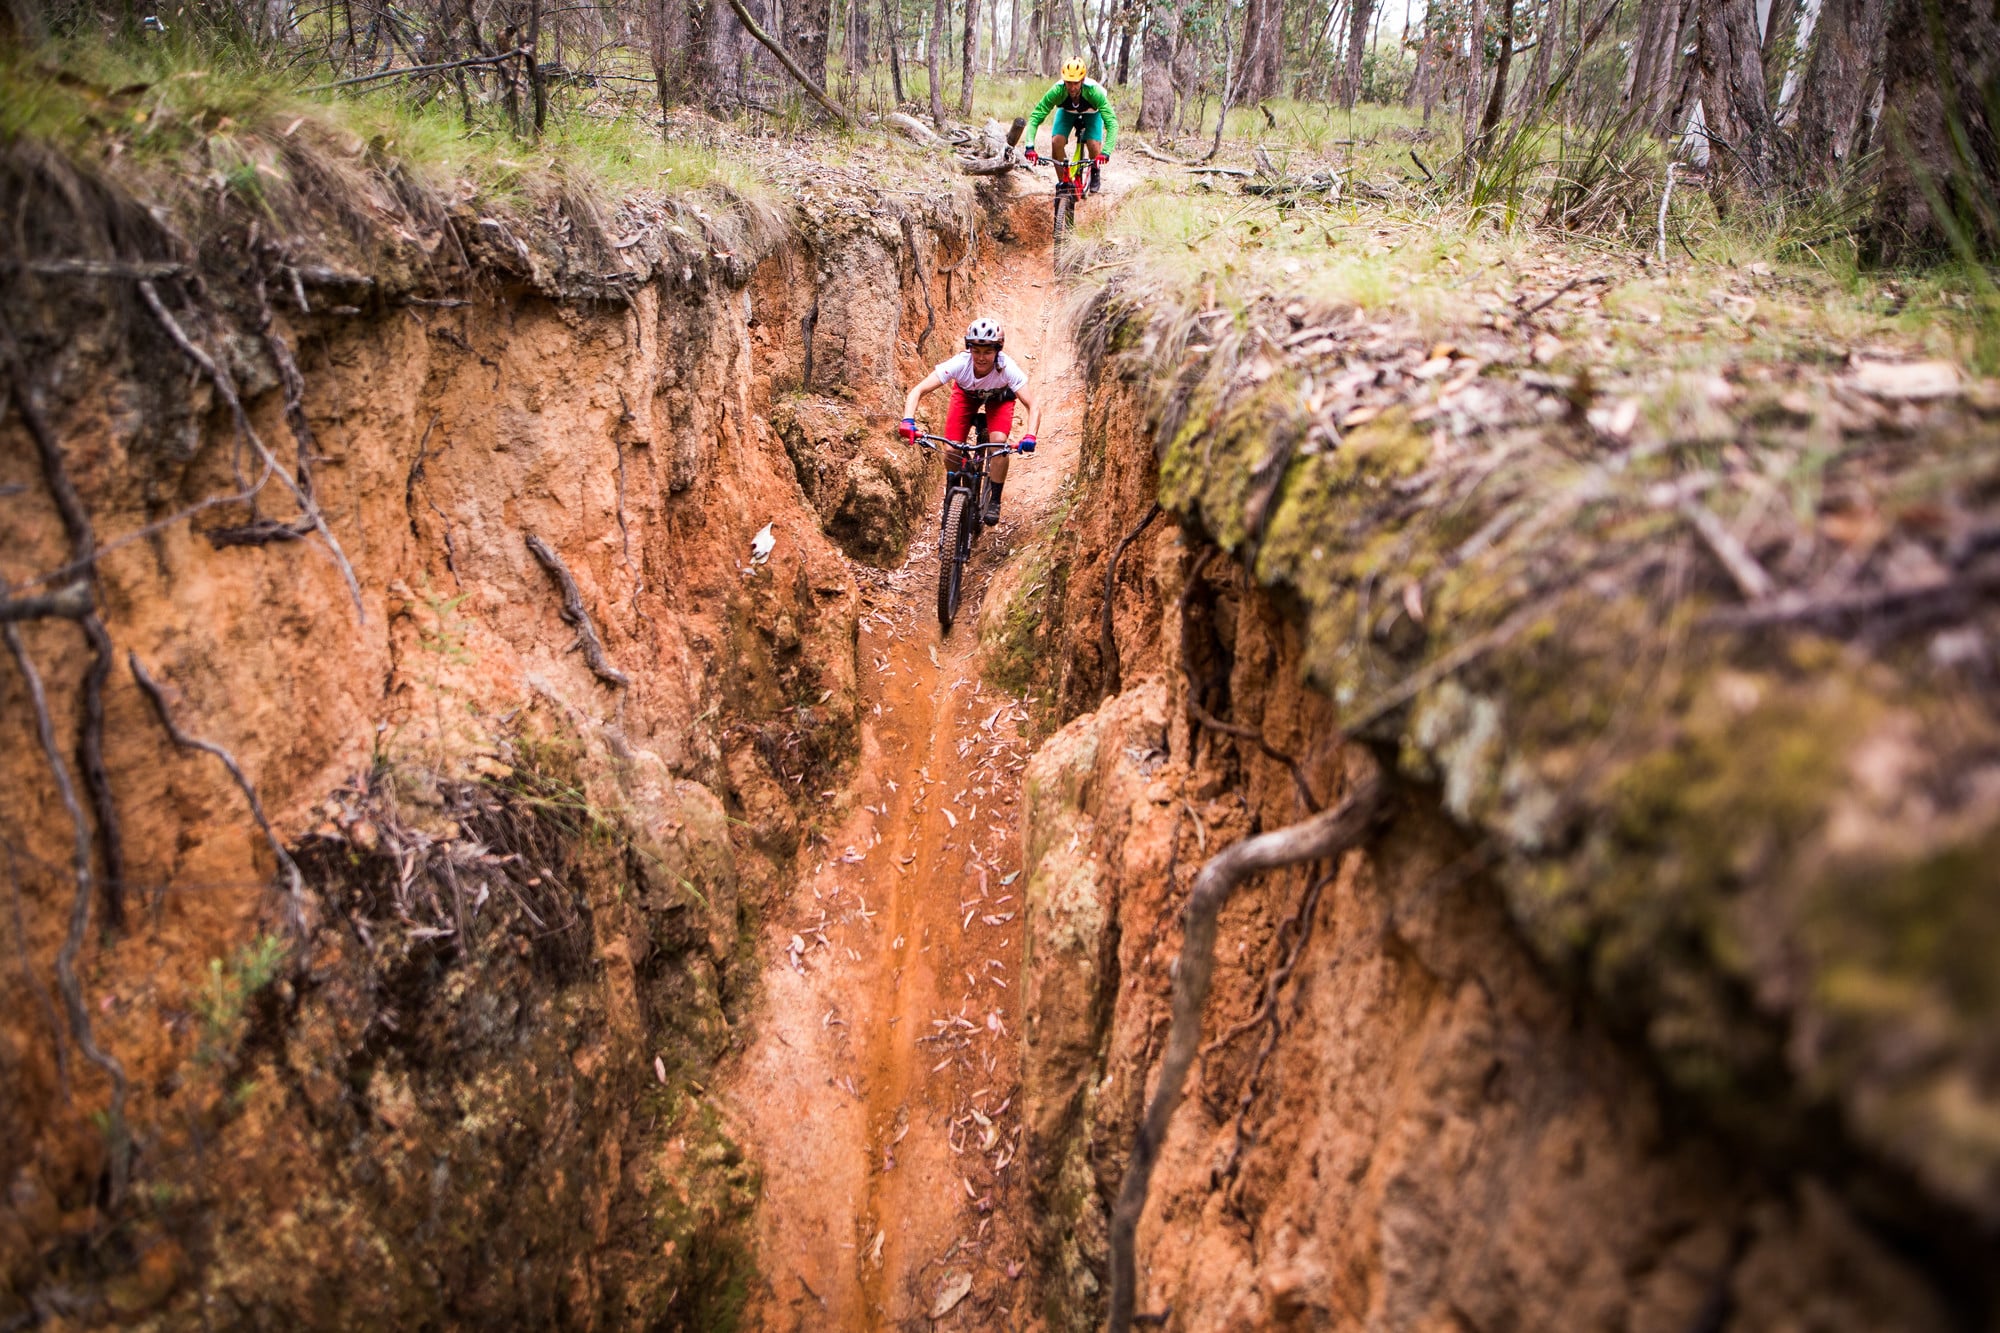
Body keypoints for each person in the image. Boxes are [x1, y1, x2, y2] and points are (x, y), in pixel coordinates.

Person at [898, 317, 1042, 527]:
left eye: (988, 352)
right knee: (950, 450)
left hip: (1000, 399)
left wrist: (1030, 435)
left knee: (998, 444)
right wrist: (908, 420)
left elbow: (1033, 404)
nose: (982, 357)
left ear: (998, 351)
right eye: (977, 351)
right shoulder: (960, 364)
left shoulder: (1007, 368)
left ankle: (994, 500)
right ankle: (955, 485)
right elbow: (918, 390)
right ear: (969, 349)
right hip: (965, 396)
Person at [1022, 59, 1118, 196]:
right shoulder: (1057, 90)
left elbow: (1112, 123)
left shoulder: (1094, 92)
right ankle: (1064, 183)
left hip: (1092, 113)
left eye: (1076, 83)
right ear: (1063, 81)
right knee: (1056, 142)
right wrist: (1029, 146)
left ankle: (1095, 170)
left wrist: (1106, 152)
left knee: (1093, 144)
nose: (1072, 87)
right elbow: (1035, 117)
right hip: (1067, 112)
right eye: (1068, 83)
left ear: (1082, 80)